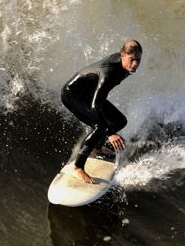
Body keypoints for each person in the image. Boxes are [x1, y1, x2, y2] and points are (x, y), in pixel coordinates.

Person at [61, 39, 142, 183]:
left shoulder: (124, 65)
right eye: (132, 59)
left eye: (138, 59)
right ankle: (77, 167)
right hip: (72, 95)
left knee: (120, 121)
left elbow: (97, 101)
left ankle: (96, 148)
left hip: (88, 94)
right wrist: (110, 134)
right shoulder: (109, 72)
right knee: (102, 126)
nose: (135, 64)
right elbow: (95, 105)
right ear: (122, 55)